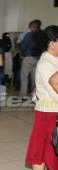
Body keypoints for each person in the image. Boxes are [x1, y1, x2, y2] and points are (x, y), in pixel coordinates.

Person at [25, 25, 58, 170]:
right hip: (48, 113)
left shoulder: (53, 59)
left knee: (46, 150)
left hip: (51, 112)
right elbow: (55, 87)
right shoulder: (46, 63)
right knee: (42, 152)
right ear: (52, 43)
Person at [19, 19, 42, 100]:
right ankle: (34, 95)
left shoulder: (29, 35)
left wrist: (23, 52)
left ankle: (23, 96)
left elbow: (23, 46)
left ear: (32, 27)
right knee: (35, 78)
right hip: (39, 59)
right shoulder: (43, 35)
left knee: (24, 77)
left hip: (28, 58)